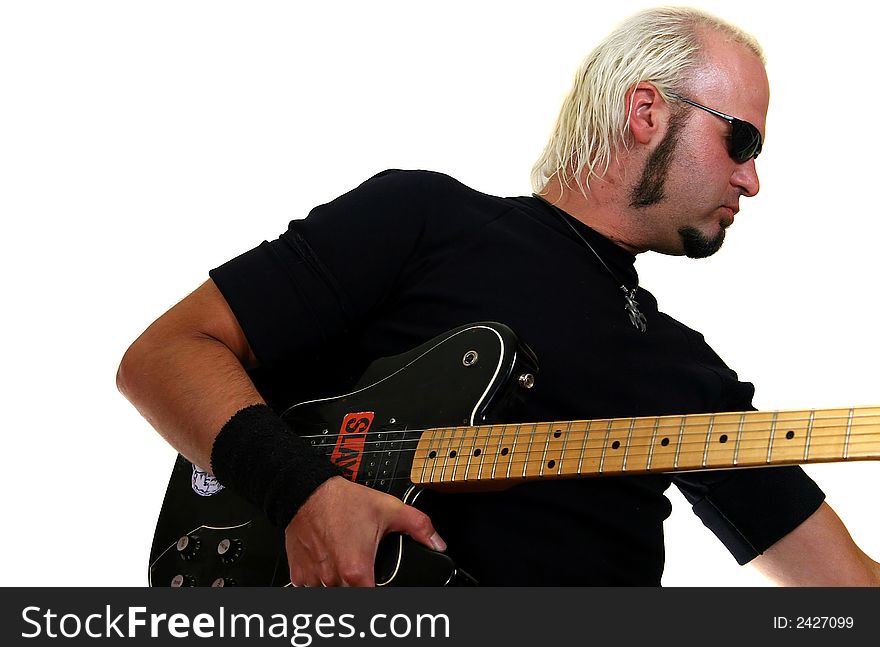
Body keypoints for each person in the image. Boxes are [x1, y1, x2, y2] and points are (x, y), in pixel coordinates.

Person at [117, 7, 879, 586]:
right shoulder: (426, 218)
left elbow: (848, 590)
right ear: (647, 112)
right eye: (741, 141)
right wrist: (303, 493)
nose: (752, 178)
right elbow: (163, 355)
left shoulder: (689, 375)